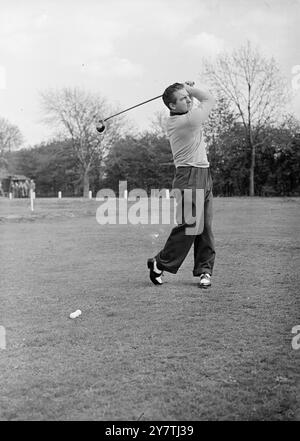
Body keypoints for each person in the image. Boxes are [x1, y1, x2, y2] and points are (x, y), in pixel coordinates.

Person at [147, 81, 216, 289]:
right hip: (189, 176)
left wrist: (186, 90)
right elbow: (209, 99)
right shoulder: (184, 122)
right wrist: (190, 88)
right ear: (172, 106)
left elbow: (193, 103)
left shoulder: (183, 116)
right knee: (191, 226)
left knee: (204, 227)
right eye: (183, 98)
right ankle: (160, 262)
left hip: (203, 173)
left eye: (188, 97)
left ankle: (205, 271)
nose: (188, 100)